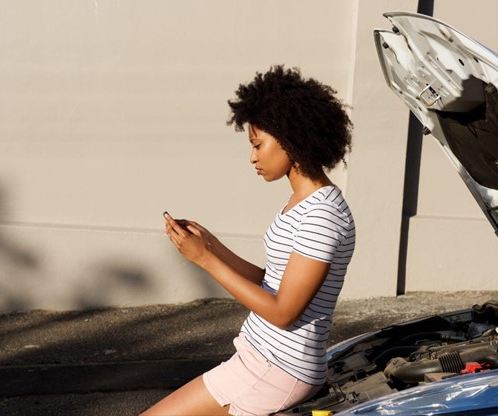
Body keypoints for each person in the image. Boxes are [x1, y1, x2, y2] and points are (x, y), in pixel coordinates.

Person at [141, 65, 355, 416]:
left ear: (291, 138)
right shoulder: (303, 204)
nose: (252, 157)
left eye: (258, 144)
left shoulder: (322, 217)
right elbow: (272, 283)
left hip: (277, 368)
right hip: (264, 359)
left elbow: (284, 312)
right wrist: (211, 245)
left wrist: (204, 261)